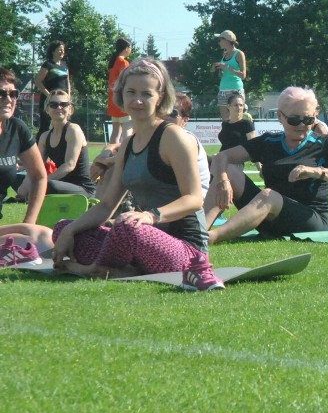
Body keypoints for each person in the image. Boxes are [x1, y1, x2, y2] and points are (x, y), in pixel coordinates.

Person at [51, 59, 224, 290]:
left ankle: (95, 269)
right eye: (131, 92)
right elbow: (106, 206)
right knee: (63, 228)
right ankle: (120, 269)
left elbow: (194, 199)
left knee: (127, 226)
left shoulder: (174, 137)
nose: (137, 100)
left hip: (186, 251)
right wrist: (71, 230)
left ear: (160, 97)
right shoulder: (128, 144)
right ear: (121, 94)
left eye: (146, 94)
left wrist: (151, 216)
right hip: (140, 238)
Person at [205, 87, 328, 243]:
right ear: (280, 117)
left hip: (311, 220)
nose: (302, 125)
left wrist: (315, 171)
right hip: (270, 217)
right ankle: (197, 232)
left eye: (308, 119)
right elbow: (221, 157)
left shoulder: (324, 143)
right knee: (228, 170)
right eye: (294, 120)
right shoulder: (269, 141)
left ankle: (210, 238)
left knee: (268, 195)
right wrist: (222, 180)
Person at [16, 90, 95, 200]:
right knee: (15, 179)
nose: (59, 108)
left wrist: (42, 182)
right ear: (47, 110)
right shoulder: (45, 136)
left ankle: (36, 192)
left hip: (82, 188)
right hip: (60, 183)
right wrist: (22, 189)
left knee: (50, 185)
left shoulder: (73, 130)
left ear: (70, 109)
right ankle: (26, 195)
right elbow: (36, 166)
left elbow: (69, 165)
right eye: (53, 104)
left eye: (64, 104)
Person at [0, 68, 47, 222]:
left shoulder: (16, 128)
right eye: (1, 93)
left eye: (13, 94)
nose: (8, 99)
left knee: (45, 238)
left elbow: (39, 177)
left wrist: (29, 224)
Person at [34, 41, 71, 137]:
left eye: (63, 50)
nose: (62, 52)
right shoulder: (48, 64)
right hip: (48, 100)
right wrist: (49, 95)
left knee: (62, 124)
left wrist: (68, 97)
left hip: (62, 101)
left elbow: (67, 82)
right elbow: (38, 82)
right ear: (53, 51)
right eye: (59, 49)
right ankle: (39, 149)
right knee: (45, 126)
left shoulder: (64, 65)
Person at [212, 30, 247, 121]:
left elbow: (243, 75)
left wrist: (226, 66)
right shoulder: (224, 54)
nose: (219, 42)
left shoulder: (239, 54)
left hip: (236, 89)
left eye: (220, 40)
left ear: (226, 41)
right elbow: (223, 72)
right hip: (223, 90)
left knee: (238, 119)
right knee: (225, 121)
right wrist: (217, 68)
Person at [106, 37, 133, 144]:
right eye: (130, 47)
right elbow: (126, 80)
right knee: (127, 128)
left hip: (113, 100)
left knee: (115, 131)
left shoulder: (113, 62)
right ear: (126, 48)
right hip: (122, 99)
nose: (131, 50)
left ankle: (110, 153)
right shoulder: (123, 62)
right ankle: (127, 152)